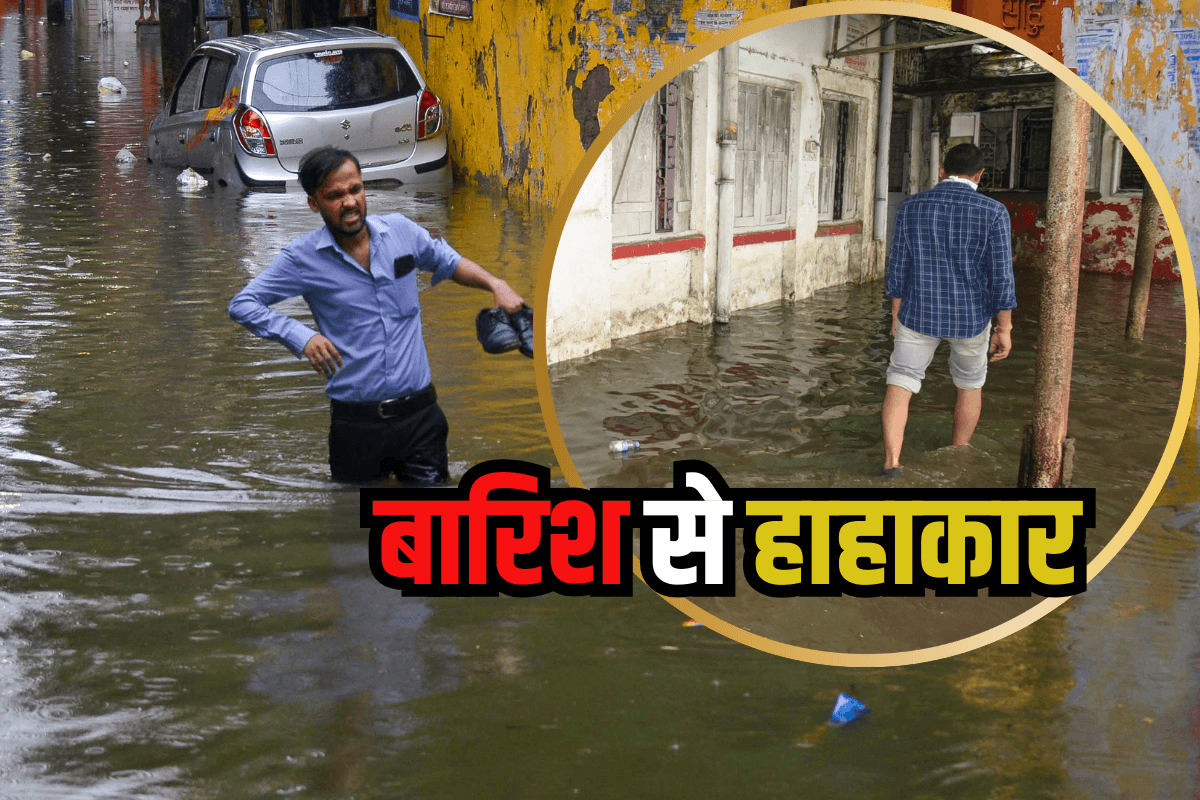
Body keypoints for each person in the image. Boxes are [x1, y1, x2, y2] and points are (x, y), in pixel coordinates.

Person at [229, 146, 525, 485]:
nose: (350, 202)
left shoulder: (401, 232)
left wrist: (495, 283)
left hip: (421, 418)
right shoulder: (302, 258)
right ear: (314, 203)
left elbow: (447, 260)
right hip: (356, 426)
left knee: (434, 529)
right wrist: (303, 337)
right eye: (335, 195)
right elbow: (244, 304)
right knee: (357, 530)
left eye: (355, 189)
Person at [880, 142, 1017, 477]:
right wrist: (1004, 328)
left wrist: (896, 313)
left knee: (901, 383)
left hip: (917, 313)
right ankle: (957, 456)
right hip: (971, 318)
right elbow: (1001, 277)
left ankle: (892, 463)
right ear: (980, 175)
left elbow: (898, 267)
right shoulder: (993, 211)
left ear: (942, 169)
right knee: (969, 386)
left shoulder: (911, 207)